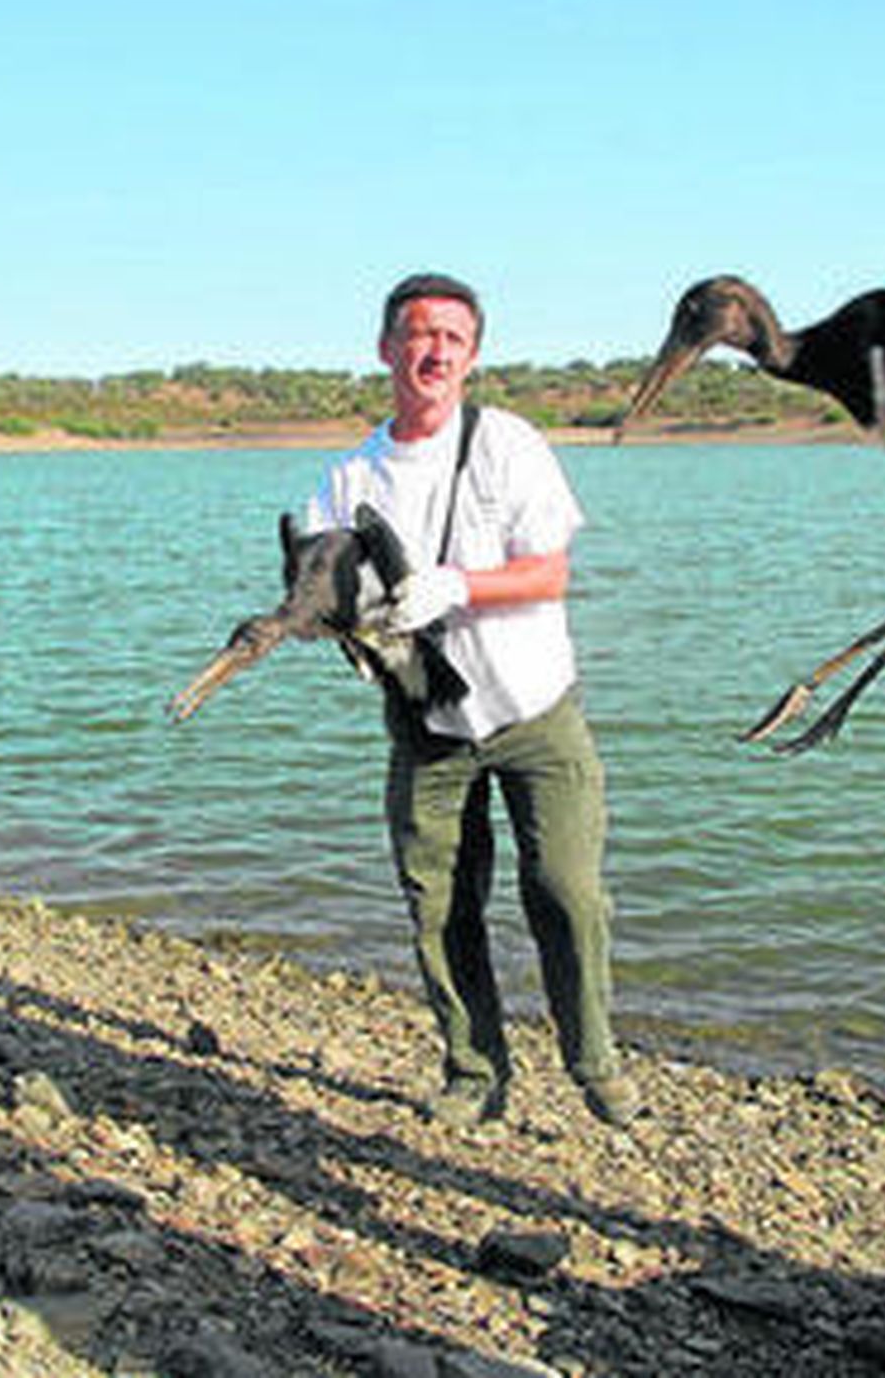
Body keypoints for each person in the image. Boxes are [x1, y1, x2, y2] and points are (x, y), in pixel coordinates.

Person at [305, 273, 639, 1130]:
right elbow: (320, 592)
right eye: (419, 335)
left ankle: (594, 1057)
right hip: (426, 727)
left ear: (473, 355)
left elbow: (550, 572)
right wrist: (345, 626)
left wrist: (452, 584)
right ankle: (473, 1068)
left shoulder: (508, 443)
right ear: (385, 349)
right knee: (439, 906)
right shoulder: (347, 479)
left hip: (536, 713)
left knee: (566, 889)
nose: (435, 352)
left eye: (453, 338)